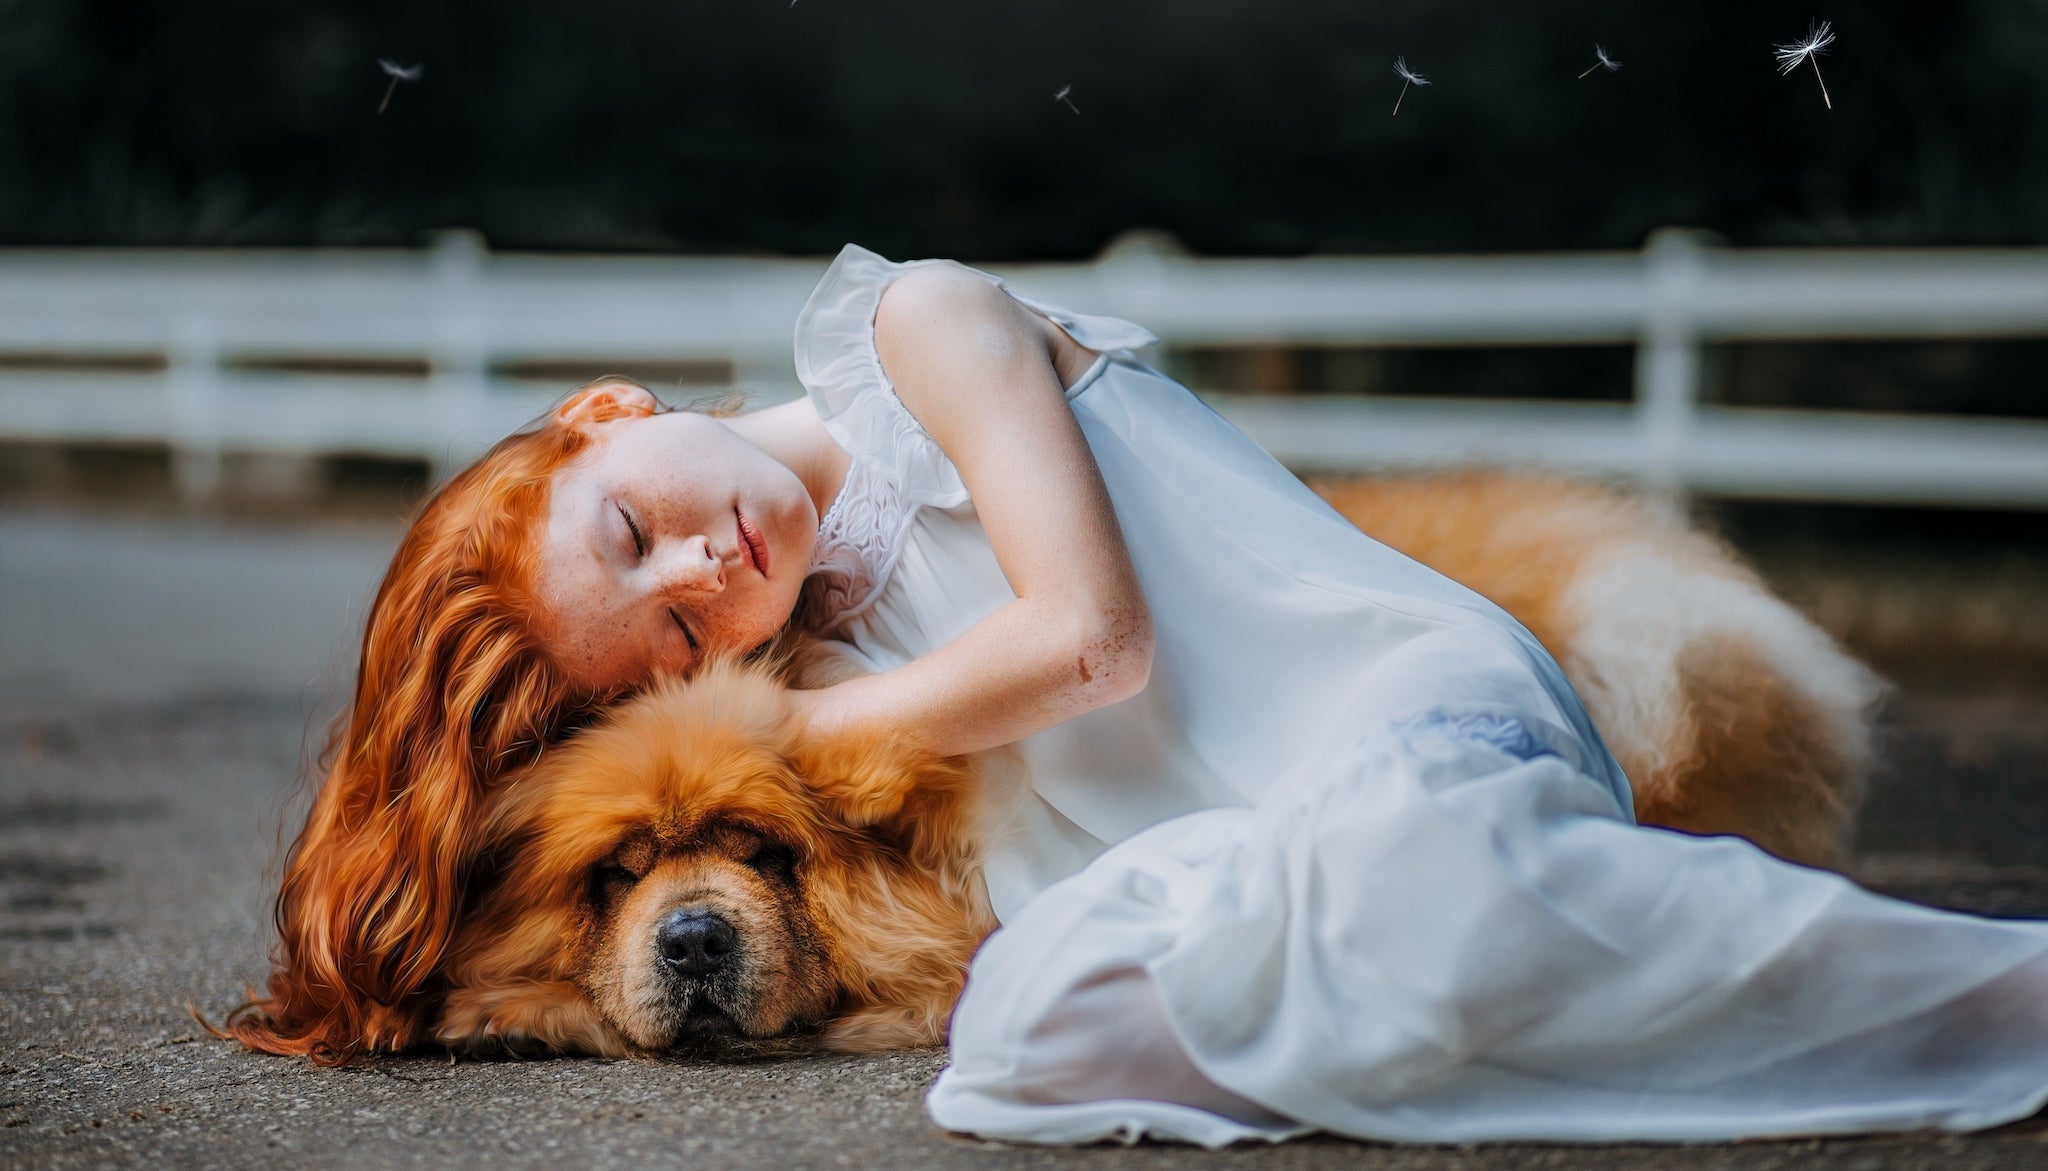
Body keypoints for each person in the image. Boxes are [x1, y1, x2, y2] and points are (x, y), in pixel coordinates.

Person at [235, 245, 2048, 1144]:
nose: (698, 579)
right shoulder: (811, 640)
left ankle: (1996, 1004)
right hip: (1263, 827)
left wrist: (754, 739)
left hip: (1408, 714)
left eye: (633, 528)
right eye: (665, 646)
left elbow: (1093, 648)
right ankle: (1519, 975)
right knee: (1033, 1034)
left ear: (609, 412)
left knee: (1418, 890)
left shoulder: (917, 334)